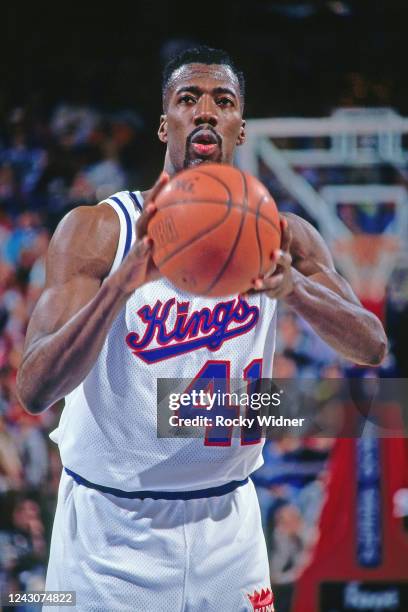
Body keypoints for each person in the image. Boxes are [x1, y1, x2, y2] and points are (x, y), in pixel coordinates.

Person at [16, 46, 387, 612]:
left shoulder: (283, 236)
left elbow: (372, 346)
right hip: (112, 529)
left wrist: (296, 290)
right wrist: (120, 286)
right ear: (166, 124)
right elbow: (35, 389)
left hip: (229, 526)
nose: (206, 111)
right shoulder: (100, 232)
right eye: (188, 99)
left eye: (224, 100)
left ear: (241, 127)